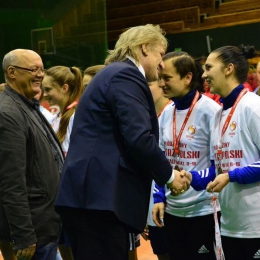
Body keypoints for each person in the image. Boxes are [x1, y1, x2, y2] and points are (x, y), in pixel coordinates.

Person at [55, 24, 191, 260]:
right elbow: (138, 138)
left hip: (93, 199)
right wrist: (169, 176)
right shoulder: (124, 75)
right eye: (160, 54)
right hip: (98, 200)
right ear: (144, 48)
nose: (162, 64)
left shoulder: (113, 74)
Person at [189, 45, 260, 260]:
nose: (204, 74)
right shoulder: (218, 115)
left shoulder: (253, 107)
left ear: (228, 69)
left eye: (209, 67)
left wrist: (231, 176)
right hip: (229, 225)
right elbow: (217, 169)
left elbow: (228, 173)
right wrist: (189, 178)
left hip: (256, 225)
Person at [152, 51, 221, 260]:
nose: (161, 84)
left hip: (203, 211)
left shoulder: (211, 111)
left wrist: (194, 179)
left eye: (167, 78)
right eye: (159, 78)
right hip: (172, 212)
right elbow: (160, 159)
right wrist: (158, 196)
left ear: (188, 77)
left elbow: (219, 165)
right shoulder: (166, 112)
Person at [0, 49, 64, 260]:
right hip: (34, 234)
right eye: (33, 69)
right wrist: (24, 235)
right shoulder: (8, 113)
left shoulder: (26, 105)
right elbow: (11, 181)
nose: (40, 75)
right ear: (12, 72)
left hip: (45, 227)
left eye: (41, 69)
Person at [42, 65, 83, 260]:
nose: (44, 94)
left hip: (76, 201)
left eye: (48, 89)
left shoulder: (78, 116)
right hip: (62, 199)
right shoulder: (57, 118)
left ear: (64, 88)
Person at [146, 80, 171, 260]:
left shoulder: (174, 113)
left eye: (148, 84)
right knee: (162, 254)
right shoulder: (143, 118)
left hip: (179, 204)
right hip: (152, 205)